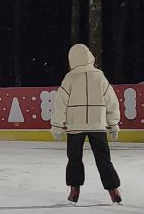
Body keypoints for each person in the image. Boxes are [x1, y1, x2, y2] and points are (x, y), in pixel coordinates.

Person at [50, 44, 122, 204]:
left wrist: (56, 125)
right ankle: (114, 190)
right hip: (98, 125)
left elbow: (60, 103)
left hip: (75, 126)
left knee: (74, 159)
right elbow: (112, 101)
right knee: (104, 159)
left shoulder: (70, 78)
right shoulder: (100, 76)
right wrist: (113, 123)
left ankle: (74, 190)